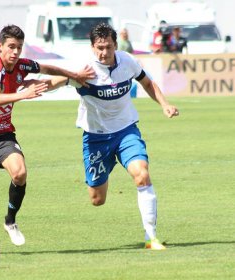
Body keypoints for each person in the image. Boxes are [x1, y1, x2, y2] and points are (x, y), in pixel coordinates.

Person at [0, 24, 94, 254]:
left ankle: (10, 221)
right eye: (11, 46)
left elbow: (47, 68)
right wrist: (23, 94)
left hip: (2, 134)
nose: (15, 52)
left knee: (20, 173)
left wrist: (73, 75)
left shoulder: (22, 65)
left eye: (19, 47)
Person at [68, 23, 179, 250]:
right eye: (99, 48)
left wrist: (164, 104)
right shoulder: (84, 70)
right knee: (97, 199)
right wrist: (33, 87)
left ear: (115, 45)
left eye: (108, 47)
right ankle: (104, 170)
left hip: (126, 130)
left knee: (142, 175)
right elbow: (56, 81)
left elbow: (147, 82)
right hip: (96, 137)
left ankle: (151, 238)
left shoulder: (126, 61)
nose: (104, 52)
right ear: (92, 47)